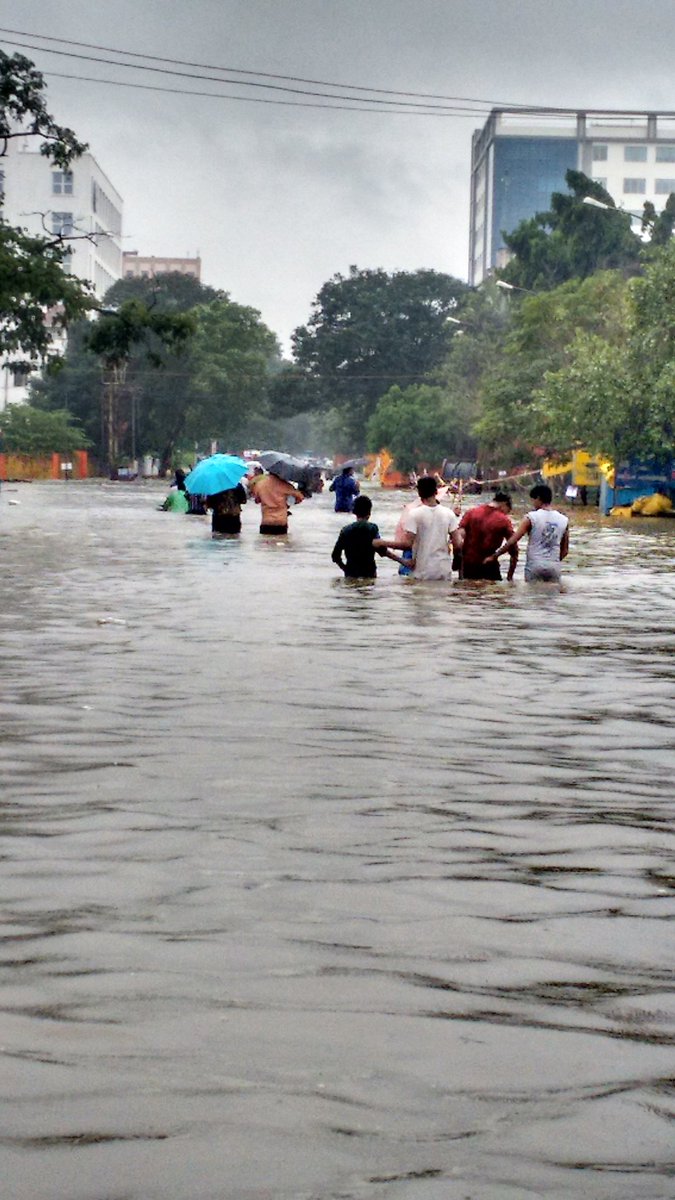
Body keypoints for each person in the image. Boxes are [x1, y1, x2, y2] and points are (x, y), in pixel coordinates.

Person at [374, 475, 462, 581]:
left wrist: (382, 542)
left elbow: (407, 545)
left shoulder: (414, 514)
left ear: (419, 493)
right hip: (443, 571)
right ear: (436, 492)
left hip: (423, 571)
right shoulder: (449, 514)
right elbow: (458, 545)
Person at [487, 484, 569, 582]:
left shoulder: (531, 517)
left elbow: (512, 541)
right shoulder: (564, 520)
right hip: (554, 568)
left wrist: (495, 555)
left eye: (533, 500)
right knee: (552, 595)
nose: (533, 504)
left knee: (532, 596)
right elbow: (564, 551)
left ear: (538, 498)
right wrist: (552, 562)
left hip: (535, 566)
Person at [459, 490, 518, 581]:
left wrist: (459, 563)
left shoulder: (471, 513)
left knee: (469, 591)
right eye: (508, 511)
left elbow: (459, 538)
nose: (506, 514)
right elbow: (513, 548)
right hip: (489, 564)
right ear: (504, 504)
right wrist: (510, 577)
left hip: (468, 564)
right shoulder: (503, 520)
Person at [331, 495, 386, 578]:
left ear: (354, 512)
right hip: (369, 573)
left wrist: (345, 569)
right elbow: (382, 551)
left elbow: (335, 556)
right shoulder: (372, 528)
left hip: (351, 573)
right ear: (369, 512)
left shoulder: (345, 530)